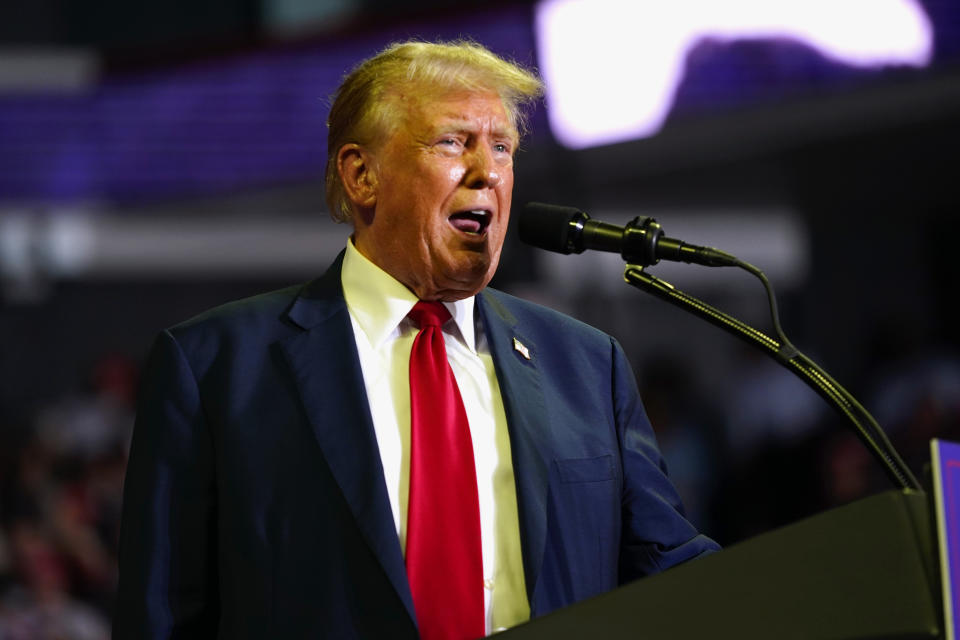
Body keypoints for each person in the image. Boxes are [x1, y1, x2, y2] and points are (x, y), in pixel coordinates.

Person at [113, 40, 718, 640]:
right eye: (454, 142)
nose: (487, 172)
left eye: (502, 147)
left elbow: (674, 576)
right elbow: (161, 619)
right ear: (361, 175)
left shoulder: (586, 365)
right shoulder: (216, 367)